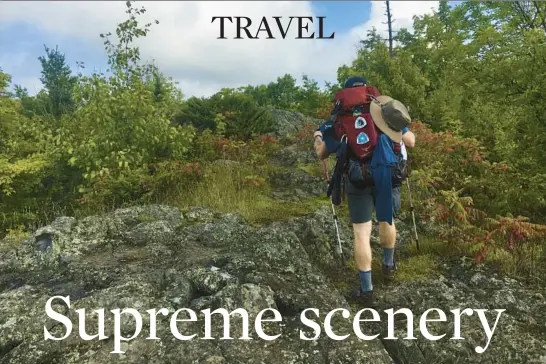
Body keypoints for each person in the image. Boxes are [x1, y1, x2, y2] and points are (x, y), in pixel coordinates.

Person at [313, 77, 416, 307]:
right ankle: (388, 266)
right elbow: (410, 141)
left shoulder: (338, 119)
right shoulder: (384, 111)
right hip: (387, 175)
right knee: (386, 221)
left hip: (356, 178)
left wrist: (318, 137)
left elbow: (321, 153)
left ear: (346, 94)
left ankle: (366, 289)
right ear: (367, 91)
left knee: (361, 233)